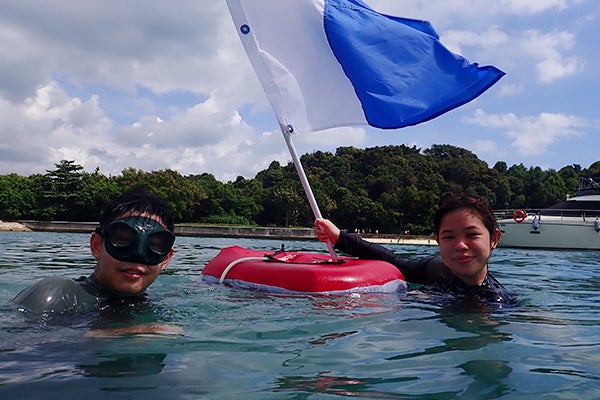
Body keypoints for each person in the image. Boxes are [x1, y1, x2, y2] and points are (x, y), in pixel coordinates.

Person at [315, 194, 512, 304]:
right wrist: (339, 237)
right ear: (439, 242)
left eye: (472, 235)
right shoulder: (434, 270)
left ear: (493, 239)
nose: (460, 245)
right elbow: (390, 259)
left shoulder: (498, 302)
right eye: (449, 237)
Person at [13, 190, 176, 315]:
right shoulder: (56, 295)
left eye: (155, 245)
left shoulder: (153, 303)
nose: (138, 256)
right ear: (97, 245)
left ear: (166, 259)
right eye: (123, 240)